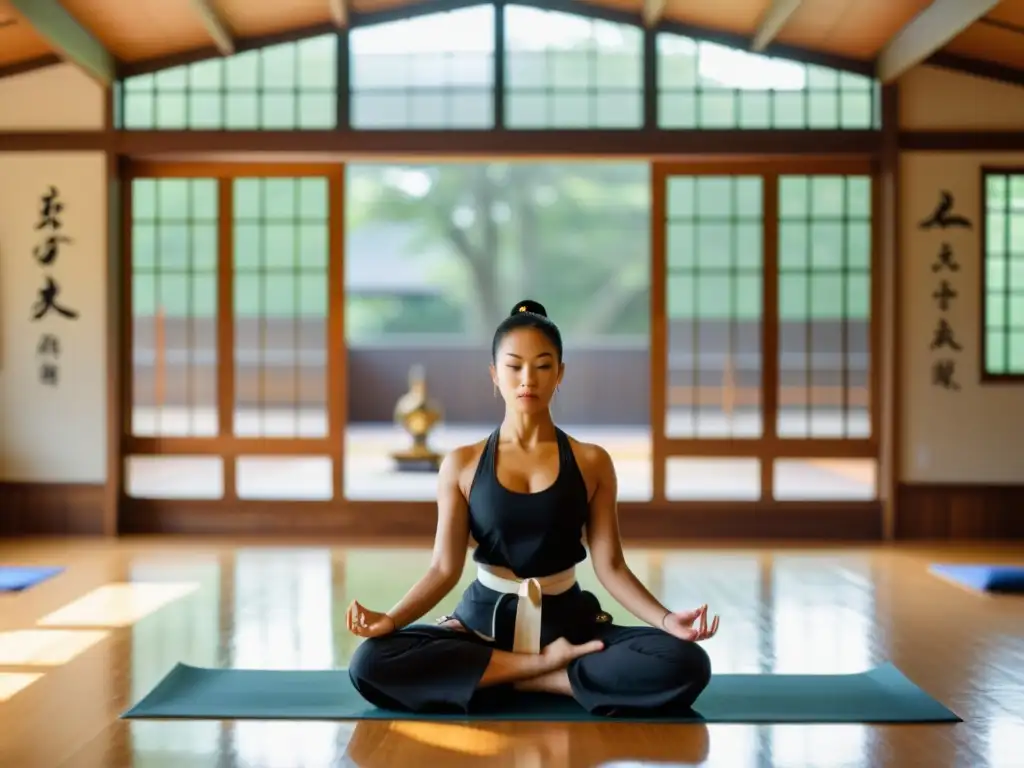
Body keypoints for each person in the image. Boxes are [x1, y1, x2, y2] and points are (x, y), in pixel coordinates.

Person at [346, 299, 720, 717]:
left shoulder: (592, 461)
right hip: (480, 628)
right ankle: (540, 672)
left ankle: (507, 678)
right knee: (370, 662)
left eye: (543, 366)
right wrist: (390, 622)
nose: (528, 378)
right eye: (514, 366)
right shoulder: (462, 464)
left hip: (570, 630)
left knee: (685, 663)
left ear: (559, 374)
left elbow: (611, 566)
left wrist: (668, 620)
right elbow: (443, 569)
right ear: (494, 374)